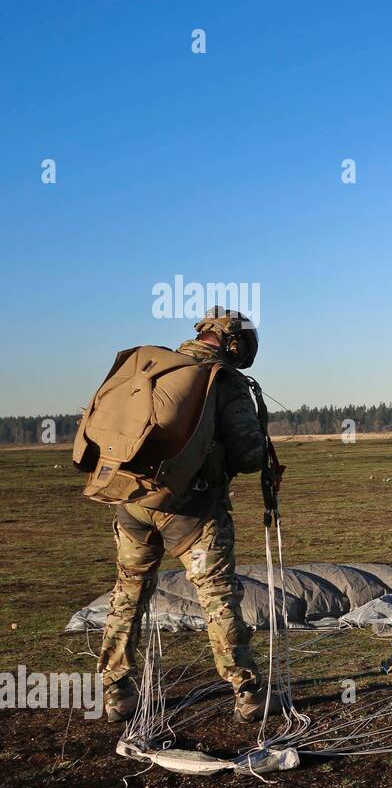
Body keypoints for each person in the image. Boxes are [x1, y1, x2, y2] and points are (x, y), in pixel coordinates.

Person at [92, 309, 276, 723]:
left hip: (133, 502)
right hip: (191, 511)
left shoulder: (155, 369)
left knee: (129, 590)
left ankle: (115, 689)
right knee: (217, 597)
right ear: (233, 343)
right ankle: (246, 690)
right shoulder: (222, 380)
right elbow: (249, 454)